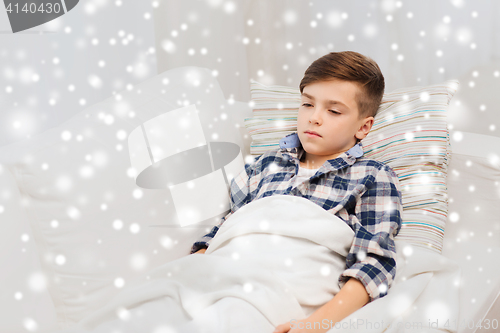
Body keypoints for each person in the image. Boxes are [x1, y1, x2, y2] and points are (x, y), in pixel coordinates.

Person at [190, 51, 403, 333]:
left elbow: (374, 264)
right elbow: (230, 226)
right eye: (307, 104)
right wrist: (193, 268)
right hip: (229, 271)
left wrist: (315, 324)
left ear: (363, 127)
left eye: (334, 110)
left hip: (290, 281)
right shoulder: (264, 165)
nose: (314, 118)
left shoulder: (373, 176)